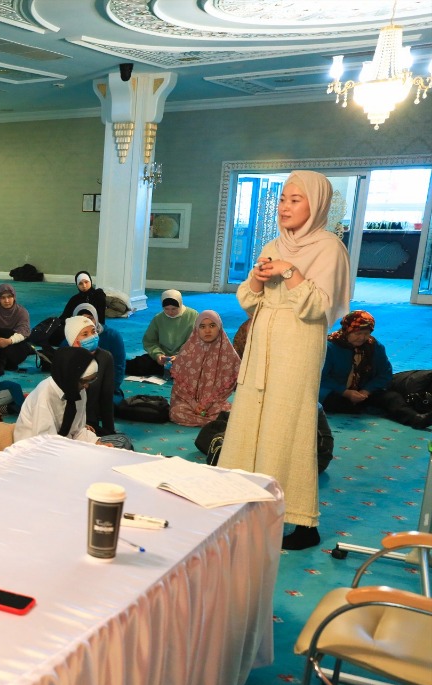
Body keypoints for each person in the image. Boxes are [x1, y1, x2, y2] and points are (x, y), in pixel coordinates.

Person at [219, 172, 351, 549]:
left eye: (295, 200)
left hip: (298, 345)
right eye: (282, 199)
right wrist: (258, 279)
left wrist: (289, 271)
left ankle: (303, 522)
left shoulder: (329, 248)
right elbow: (249, 301)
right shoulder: (274, 244)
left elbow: (320, 308)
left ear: (317, 204)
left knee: (287, 426)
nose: (284, 207)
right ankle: (248, 503)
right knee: (250, 420)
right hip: (262, 342)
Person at [319, 310, 420, 428]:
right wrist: (345, 392)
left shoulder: (374, 346)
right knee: (336, 403)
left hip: (364, 391)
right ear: (347, 331)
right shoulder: (330, 346)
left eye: (366, 333)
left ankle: (416, 419)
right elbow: (321, 377)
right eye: (358, 333)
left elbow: (385, 373)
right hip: (336, 391)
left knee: (392, 397)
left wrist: (366, 391)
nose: (362, 337)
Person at [14, 348, 103, 444]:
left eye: (91, 380)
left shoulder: (78, 390)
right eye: (83, 381)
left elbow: (77, 431)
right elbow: (45, 441)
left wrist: (97, 443)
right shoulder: (44, 395)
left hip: (61, 444)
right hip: (35, 447)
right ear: (70, 376)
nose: (87, 386)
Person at [168, 310, 240, 427]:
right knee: (176, 412)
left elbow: (228, 386)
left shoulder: (228, 353)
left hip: (214, 404)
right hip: (188, 403)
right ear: (197, 329)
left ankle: (210, 420)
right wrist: (194, 404)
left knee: (231, 412)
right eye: (202, 326)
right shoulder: (187, 351)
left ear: (219, 328)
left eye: (212, 326)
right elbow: (179, 385)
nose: (207, 330)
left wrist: (208, 403)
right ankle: (215, 422)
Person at [64, 316, 116, 437]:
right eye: (85, 334)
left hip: (90, 424)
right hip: (65, 423)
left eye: (93, 332)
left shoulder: (105, 357)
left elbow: (106, 398)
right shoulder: (64, 360)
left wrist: (110, 432)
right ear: (74, 340)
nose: (92, 337)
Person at [127, 290, 198, 377]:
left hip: (185, 357)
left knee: (196, 370)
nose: (170, 312)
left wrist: (180, 356)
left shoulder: (193, 316)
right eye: (166, 309)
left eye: (174, 309)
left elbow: (196, 342)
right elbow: (150, 341)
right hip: (164, 358)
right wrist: (158, 355)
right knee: (138, 365)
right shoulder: (159, 318)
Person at [73, 301, 126, 404]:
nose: (87, 322)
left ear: (96, 319)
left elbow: (119, 367)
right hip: (78, 386)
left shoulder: (112, 336)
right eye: (82, 319)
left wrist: (107, 389)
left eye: (90, 318)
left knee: (107, 404)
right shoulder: (71, 339)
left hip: (105, 386)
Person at [0, 282, 34, 372]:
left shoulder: (22, 312)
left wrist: (8, 341)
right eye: (3, 298)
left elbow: (23, 333)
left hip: (16, 345)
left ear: (14, 297)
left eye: (9, 297)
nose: (7, 301)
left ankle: (2, 362)